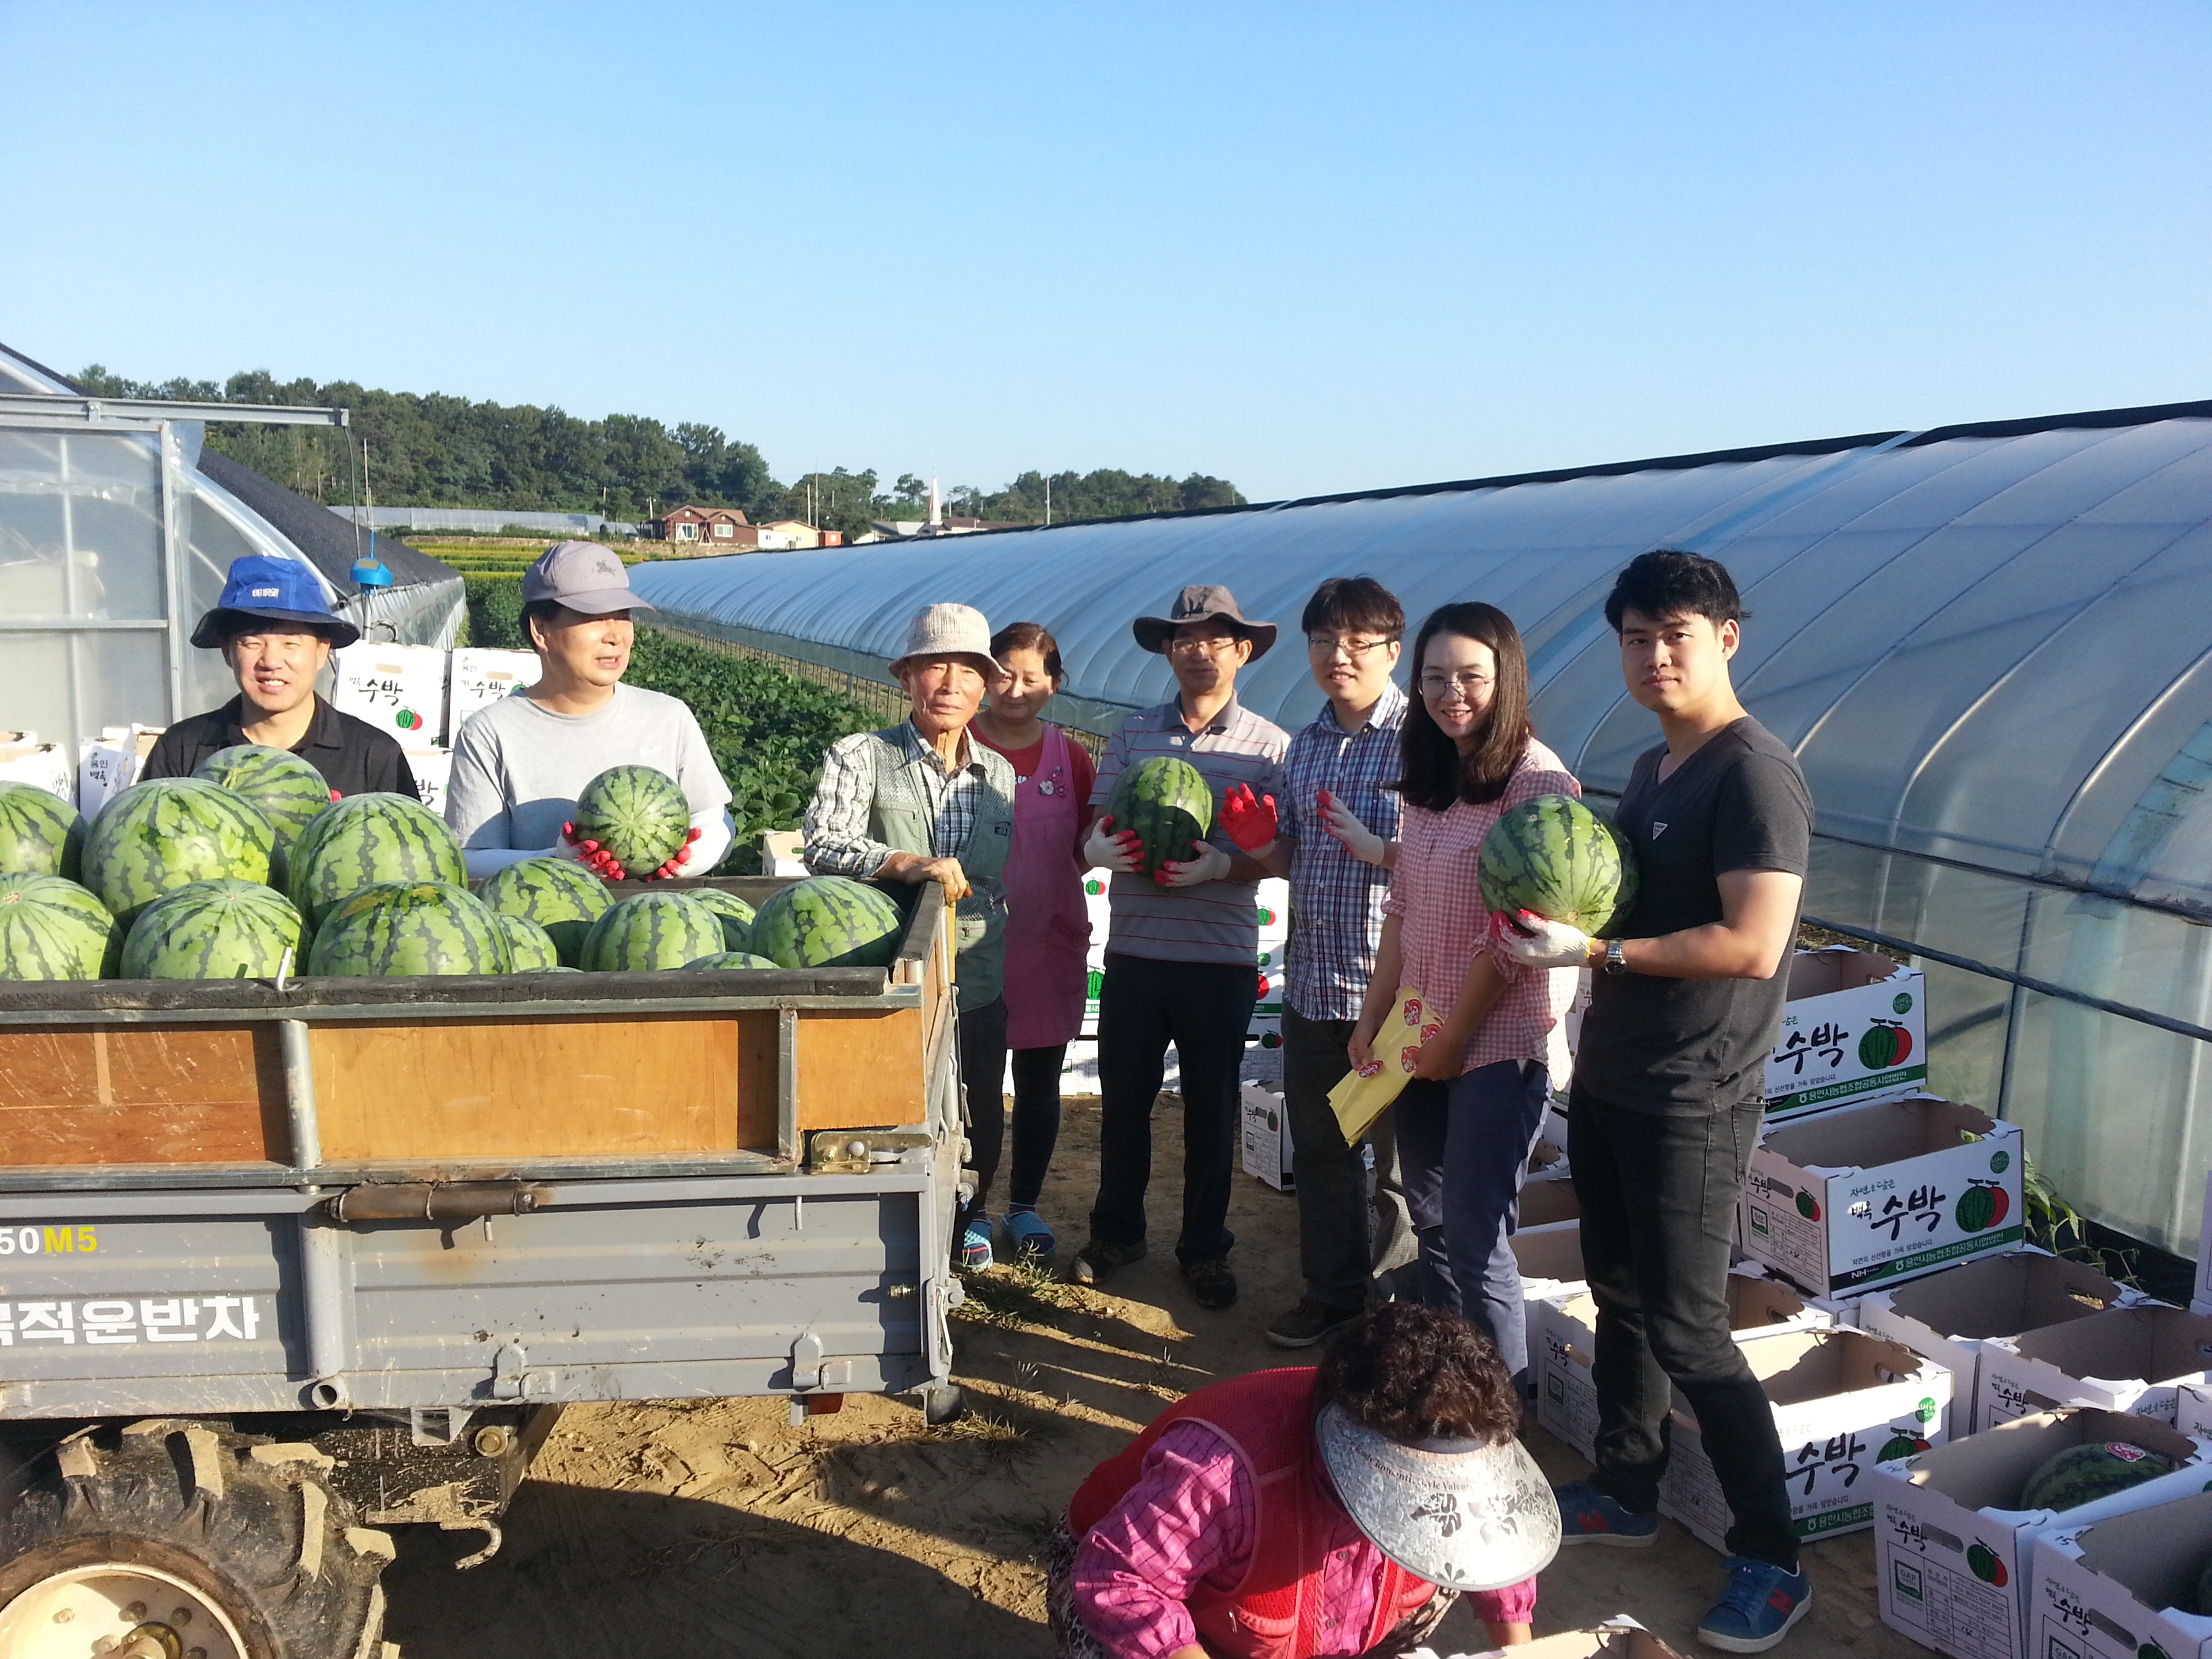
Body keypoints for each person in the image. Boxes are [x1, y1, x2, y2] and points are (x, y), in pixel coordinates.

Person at [1494, 550, 1814, 1654]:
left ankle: (1769, 1554)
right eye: (1633, 637)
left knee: (1687, 1323)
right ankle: (1628, 1486)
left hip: (1694, 1091)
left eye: (1673, 633)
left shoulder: (1751, 773)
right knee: (1615, 1288)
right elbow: (1608, 898)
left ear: (1725, 636)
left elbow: (1751, 941)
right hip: (1619, 1074)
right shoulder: (1647, 769)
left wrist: (1594, 947)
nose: (1652, 655)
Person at [1326, 603, 1579, 1404]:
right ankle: (1451, 1390)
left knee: (1477, 1241)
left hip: (1497, 1045)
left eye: (1471, 676)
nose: (1452, 693)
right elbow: (1402, 908)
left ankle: (1507, 1415)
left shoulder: (1538, 785)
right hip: (1417, 1033)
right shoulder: (1431, 782)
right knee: (1432, 1225)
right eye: (1435, 677)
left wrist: (1453, 1042)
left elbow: (1513, 939)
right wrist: (1375, 1016)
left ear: (1506, 679)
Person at [1049, 1300, 1554, 1659]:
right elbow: (1121, 1580)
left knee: (1460, 1563)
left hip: (1313, 1617)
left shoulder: (1465, 1442)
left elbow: (1498, 1547)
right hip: (1118, 1572)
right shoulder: (1220, 1469)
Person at [1212, 577, 1418, 1350]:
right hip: (1317, 985)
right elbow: (1299, 857)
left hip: (1397, 993)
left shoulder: (1425, 742)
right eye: (1325, 642)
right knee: (1326, 1156)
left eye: (1360, 643)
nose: (1341, 658)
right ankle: (1332, 1298)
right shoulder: (1304, 748)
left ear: (1392, 652)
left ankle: (1397, 1317)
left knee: (1399, 1167)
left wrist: (1380, 847)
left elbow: (1455, 859)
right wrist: (1265, 844)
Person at [1073, 585, 1289, 1311]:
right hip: (1137, 954)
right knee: (1124, 1104)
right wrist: (1098, 847)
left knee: (1209, 1111)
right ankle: (1117, 1232)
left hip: (1221, 958)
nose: (1200, 651)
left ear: (1243, 650)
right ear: (1168, 651)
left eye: (1216, 639)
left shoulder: (1270, 745)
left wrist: (1228, 864)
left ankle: (1204, 1249)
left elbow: (1285, 853)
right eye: (1185, 639)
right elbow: (1095, 828)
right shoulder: (1132, 736)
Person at [803, 603, 1017, 1262]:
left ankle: (969, 1222)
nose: (950, 683)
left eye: (967, 670)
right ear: (906, 678)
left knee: (981, 1104)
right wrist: (901, 864)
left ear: (987, 686)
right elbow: (822, 845)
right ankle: (892, 1241)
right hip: (890, 975)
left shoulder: (1002, 776)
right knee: (893, 1110)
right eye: (934, 666)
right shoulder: (861, 757)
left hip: (976, 975)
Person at [445, 541, 731, 880]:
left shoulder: (669, 716)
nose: (615, 636)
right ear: (541, 630)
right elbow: (471, 857)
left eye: (623, 617)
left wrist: (691, 857)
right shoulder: (490, 732)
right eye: (592, 618)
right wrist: (557, 862)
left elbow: (715, 819)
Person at [968, 620, 1096, 1268]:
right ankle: (974, 1211)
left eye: (1032, 676)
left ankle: (1025, 1207)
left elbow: (1086, 847)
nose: (1015, 689)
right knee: (977, 1088)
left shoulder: (1070, 757)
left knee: (1040, 1085)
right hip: (973, 948)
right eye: (1002, 673)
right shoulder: (959, 746)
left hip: (1048, 939)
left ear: (1054, 682)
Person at [144, 554, 419, 798]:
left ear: (322, 652)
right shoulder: (181, 749)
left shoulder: (373, 755)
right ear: (228, 652)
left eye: (291, 643)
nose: (271, 661)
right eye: (252, 643)